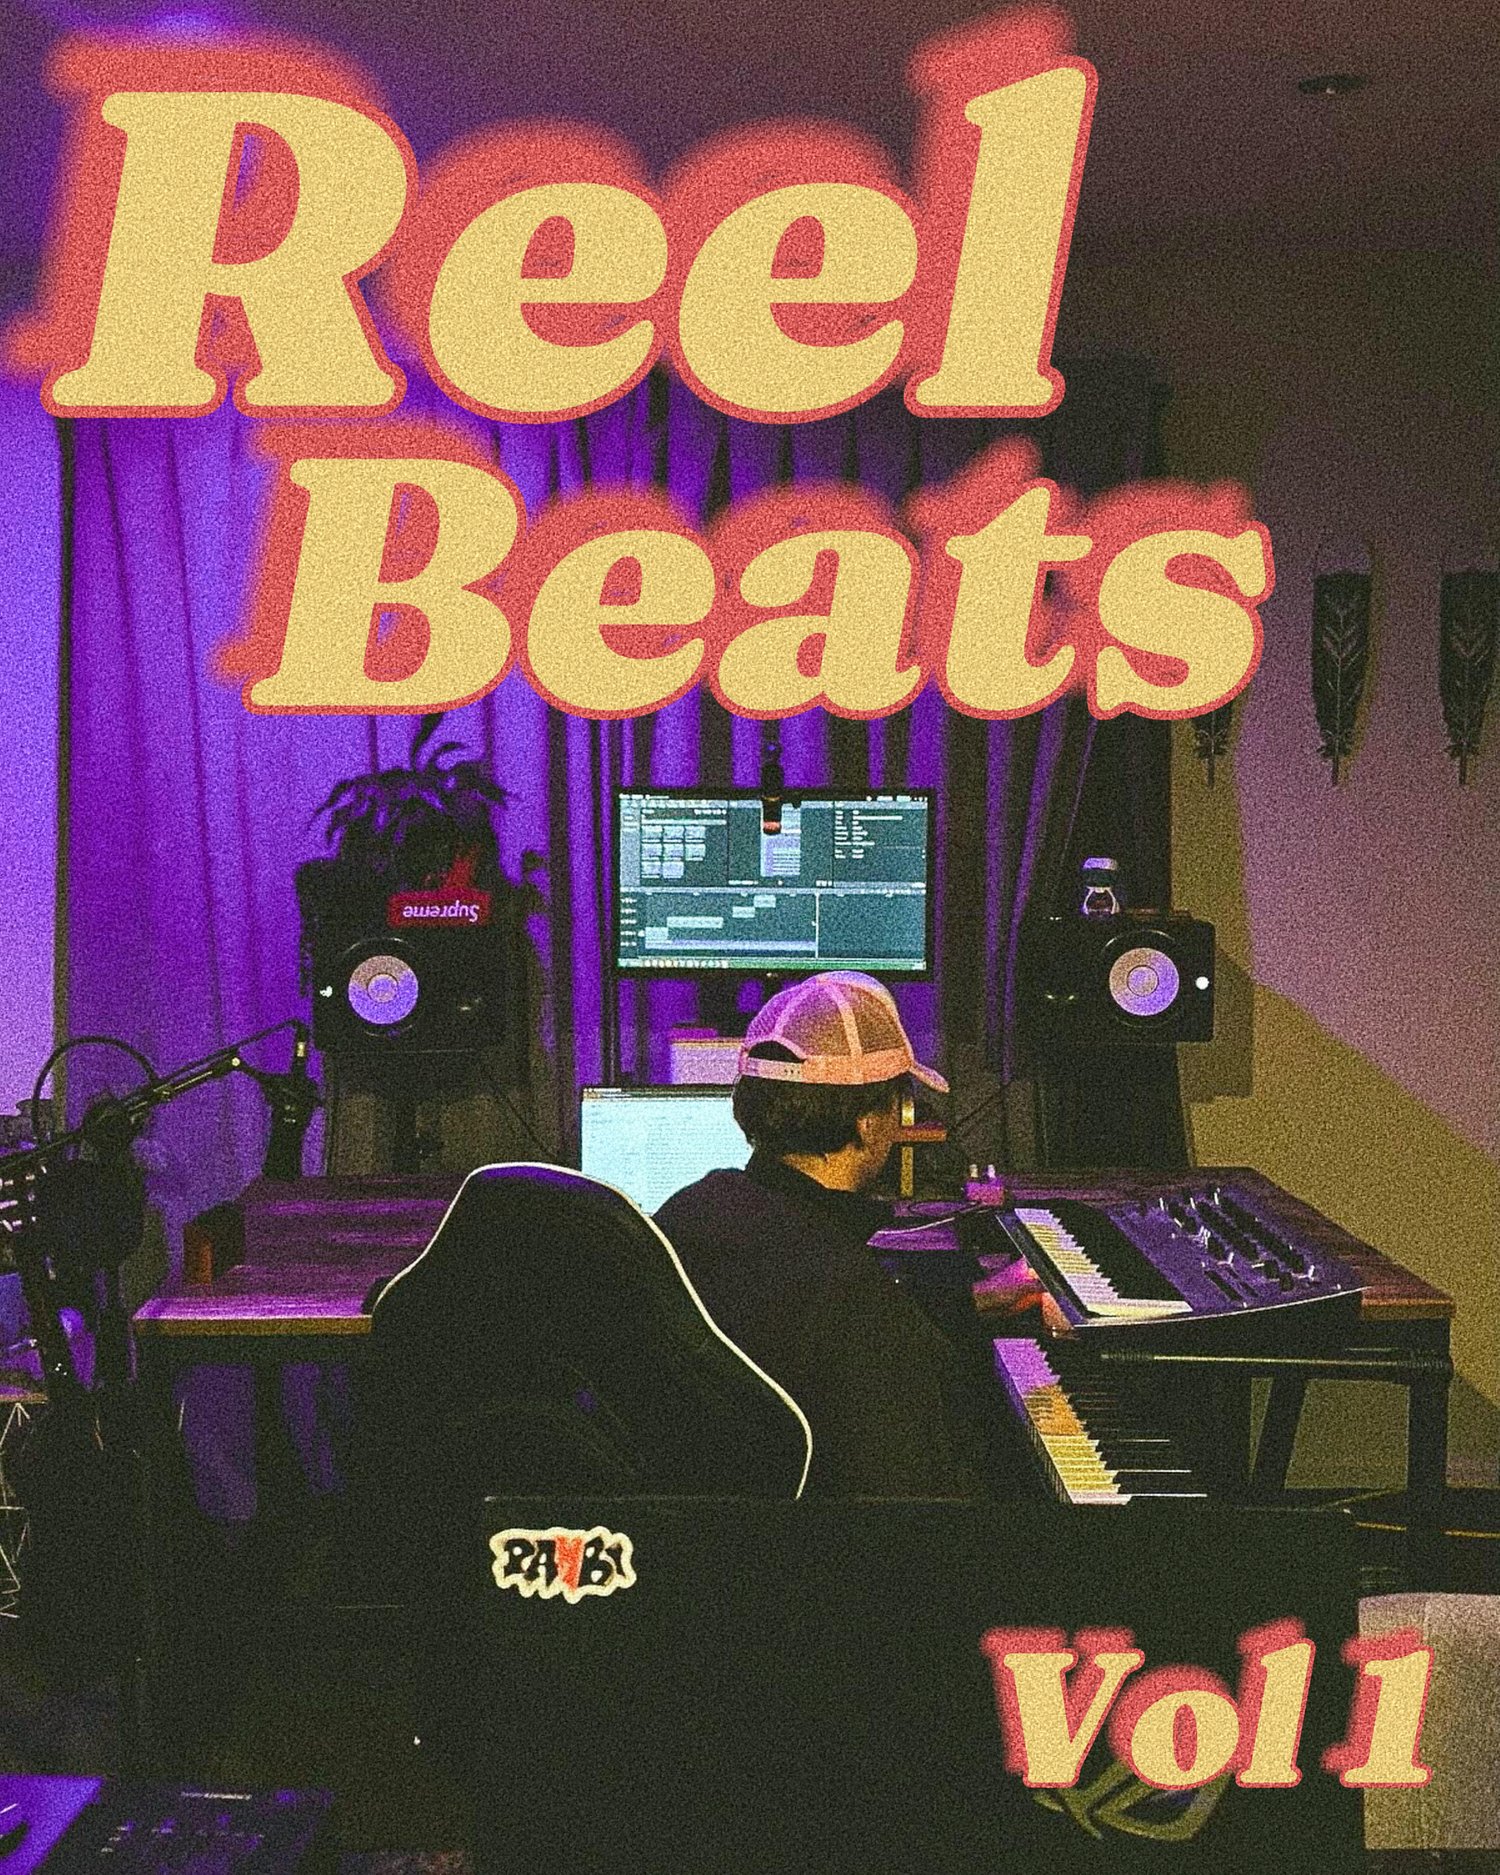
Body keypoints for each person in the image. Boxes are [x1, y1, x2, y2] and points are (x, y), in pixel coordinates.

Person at [654, 972, 993, 1499]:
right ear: (868, 1123)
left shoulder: (691, 1210)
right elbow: (919, 1514)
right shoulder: (858, 1306)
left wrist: (979, 1299)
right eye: (898, 1103)